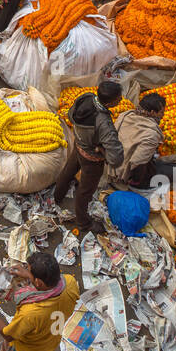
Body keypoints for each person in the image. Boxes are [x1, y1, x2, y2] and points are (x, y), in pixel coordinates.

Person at [54, 82, 125, 237]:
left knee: (68, 171)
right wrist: (101, 150)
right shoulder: (104, 123)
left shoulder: (86, 98)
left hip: (78, 144)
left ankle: (57, 197)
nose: (120, 101)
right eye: (118, 99)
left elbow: (70, 115)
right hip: (91, 158)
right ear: (110, 102)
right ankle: (83, 222)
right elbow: (115, 158)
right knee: (85, 191)